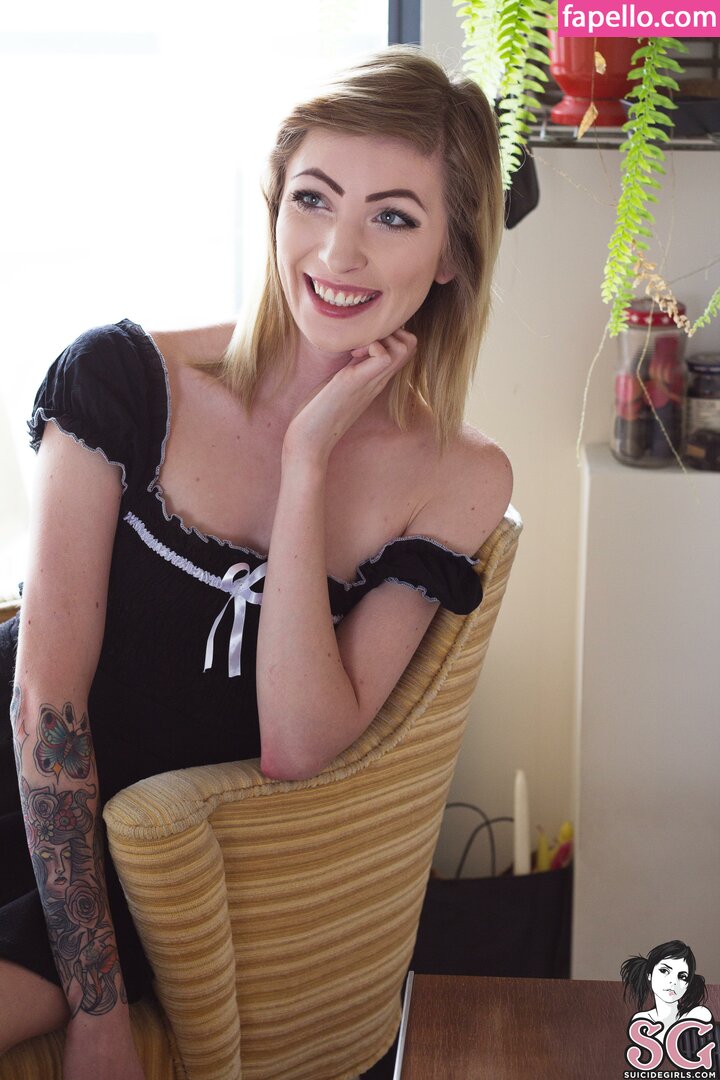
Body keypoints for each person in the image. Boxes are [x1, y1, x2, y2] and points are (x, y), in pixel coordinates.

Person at [0, 44, 512, 1077]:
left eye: (393, 217)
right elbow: (46, 698)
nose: (338, 251)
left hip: (148, 860)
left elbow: (298, 747)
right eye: (313, 199)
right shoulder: (123, 379)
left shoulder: (458, 477)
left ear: (452, 254)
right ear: (276, 208)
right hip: (28, 786)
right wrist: (98, 1014)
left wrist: (307, 461)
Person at [621, 940, 712, 1044]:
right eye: (664, 971)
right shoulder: (641, 1020)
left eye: (682, 977)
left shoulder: (698, 1014)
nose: (673, 982)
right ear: (649, 975)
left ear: (688, 984)